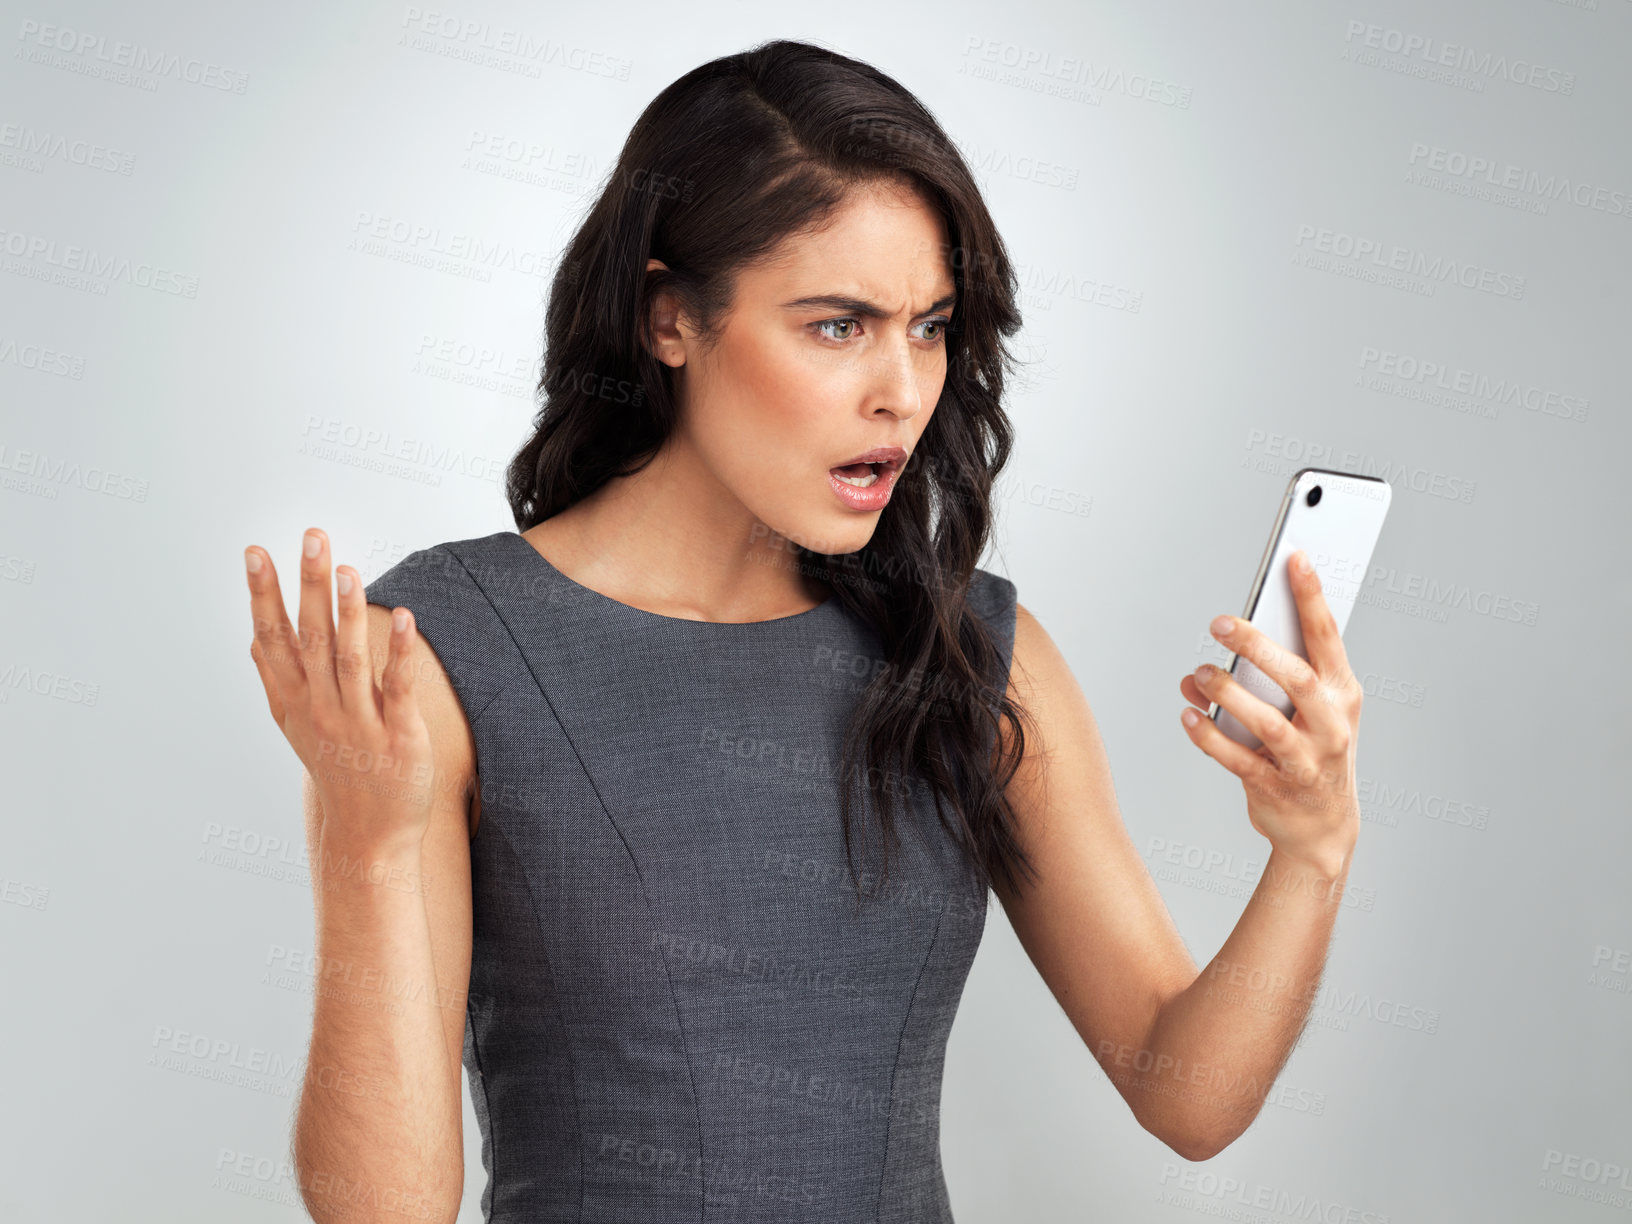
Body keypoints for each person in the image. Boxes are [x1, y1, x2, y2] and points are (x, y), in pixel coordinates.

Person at [242, 38, 1366, 1224]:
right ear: (669, 317)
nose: (903, 389)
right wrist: (366, 848)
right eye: (838, 326)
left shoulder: (975, 652)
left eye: (929, 325)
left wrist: (1312, 850)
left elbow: (1184, 1092)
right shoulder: (444, 654)